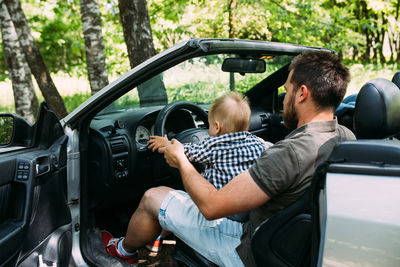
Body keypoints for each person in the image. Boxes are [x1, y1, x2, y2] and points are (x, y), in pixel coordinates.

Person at [102, 51, 356, 266]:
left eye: (286, 90)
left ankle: (122, 251)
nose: (284, 98)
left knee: (152, 197)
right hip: (293, 248)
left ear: (302, 93)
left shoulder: (290, 152)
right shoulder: (346, 138)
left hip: (248, 251)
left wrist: (181, 159)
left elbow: (212, 207)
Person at [143, 92, 268, 252]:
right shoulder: (257, 142)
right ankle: (161, 236)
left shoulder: (212, 146)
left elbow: (181, 151)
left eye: (208, 125)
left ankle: (149, 240)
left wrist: (165, 142)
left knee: (182, 197)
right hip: (244, 208)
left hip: (220, 209)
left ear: (216, 127)